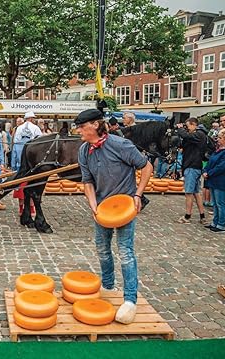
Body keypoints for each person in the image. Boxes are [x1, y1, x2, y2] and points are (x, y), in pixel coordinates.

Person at [76, 108, 153, 325]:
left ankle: (130, 300)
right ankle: (108, 287)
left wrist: (138, 194)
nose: (79, 130)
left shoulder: (121, 145)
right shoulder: (84, 150)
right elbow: (87, 181)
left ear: (95, 125)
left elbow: (147, 166)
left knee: (125, 252)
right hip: (102, 208)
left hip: (125, 206)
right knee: (102, 249)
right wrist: (93, 206)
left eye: (82, 126)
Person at [202, 128, 225, 233]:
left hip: (222, 180)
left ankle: (221, 224)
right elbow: (210, 161)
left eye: (220, 138)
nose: (218, 140)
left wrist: (209, 173)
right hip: (214, 179)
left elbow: (222, 166)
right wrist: (205, 170)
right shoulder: (219, 150)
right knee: (215, 203)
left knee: (221, 203)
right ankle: (215, 222)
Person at [176, 118, 208, 224]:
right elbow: (184, 142)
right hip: (194, 166)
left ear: (194, 125)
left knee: (189, 193)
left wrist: (180, 129)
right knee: (196, 192)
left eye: (188, 126)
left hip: (192, 166)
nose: (187, 128)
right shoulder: (197, 136)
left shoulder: (199, 134)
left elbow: (186, 136)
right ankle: (202, 216)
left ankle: (187, 216)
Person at [11, 111, 42, 215]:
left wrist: (14, 164)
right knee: (32, 186)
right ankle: (32, 208)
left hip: (20, 164)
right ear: (32, 119)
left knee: (20, 187)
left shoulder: (19, 129)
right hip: (33, 166)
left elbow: (14, 148)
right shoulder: (36, 129)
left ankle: (21, 208)